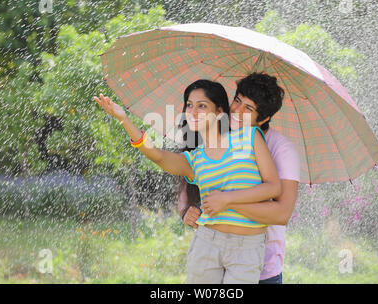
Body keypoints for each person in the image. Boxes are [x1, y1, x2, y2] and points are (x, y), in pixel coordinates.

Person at [93, 79, 282, 284]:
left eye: (202, 106)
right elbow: (156, 155)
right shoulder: (195, 159)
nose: (192, 111)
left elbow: (273, 187)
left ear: (219, 112)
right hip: (207, 243)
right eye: (189, 105)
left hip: (248, 247)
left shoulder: (250, 137)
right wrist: (123, 119)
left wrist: (227, 199)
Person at [179, 73, 300, 284]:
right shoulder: (213, 132)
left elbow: (281, 214)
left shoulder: (282, 149)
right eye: (237, 101)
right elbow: (193, 183)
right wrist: (189, 210)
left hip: (262, 266)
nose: (236, 111)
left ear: (263, 119)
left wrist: (225, 200)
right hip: (212, 257)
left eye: (249, 109)